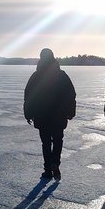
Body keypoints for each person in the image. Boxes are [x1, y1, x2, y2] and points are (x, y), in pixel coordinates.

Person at [24, 48, 76, 180]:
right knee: (58, 140)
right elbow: (71, 95)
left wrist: (28, 113)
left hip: (42, 115)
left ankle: (47, 169)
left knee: (46, 143)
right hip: (59, 115)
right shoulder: (61, 75)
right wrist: (70, 111)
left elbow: (28, 96)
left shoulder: (36, 76)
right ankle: (55, 163)